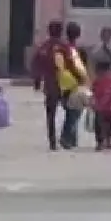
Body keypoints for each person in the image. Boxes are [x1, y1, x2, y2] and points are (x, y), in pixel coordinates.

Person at [30, 20, 69, 150]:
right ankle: (66, 137)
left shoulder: (44, 47)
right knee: (70, 111)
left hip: (50, 85)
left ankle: (52, 141)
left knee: (50, 114)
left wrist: (37, 81)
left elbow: (36, 64)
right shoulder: (65, 47)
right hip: (65, 85)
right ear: (61, 32)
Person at [89, 58, 111, 150]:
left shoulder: (101, 81)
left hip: (103, 107)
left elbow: (94, 92)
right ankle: (106, 141)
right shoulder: (110, 81)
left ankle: (103, 142)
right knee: (106, 124)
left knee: (102, 124)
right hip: (106, 107)